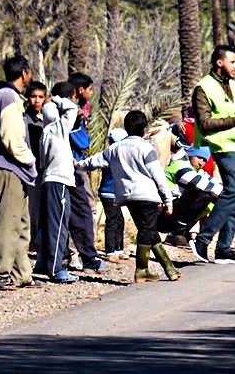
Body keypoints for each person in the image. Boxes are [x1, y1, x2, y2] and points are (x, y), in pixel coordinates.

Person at [78, 110, 179, 283]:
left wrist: (77, 164)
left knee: (149, 231)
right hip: (147, 196)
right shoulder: (146, 148)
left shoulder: (115, 148)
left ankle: (169, 268)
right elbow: (158, 176)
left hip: (127, 197)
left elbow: (94, 161)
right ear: (144, 129)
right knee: (147, 231)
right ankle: (141, 269)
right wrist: (168, 199)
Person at [190, 45, 235, 265]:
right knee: (233, 192)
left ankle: (224, 249)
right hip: (223, 147)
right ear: (220, 63)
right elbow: (205, 123)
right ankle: (202, 240)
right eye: (233, 62)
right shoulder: (203, 88)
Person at [0, 55, 39, 291]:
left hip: (15, 169)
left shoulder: (9, 96)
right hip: (8, 167)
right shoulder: (7, 97)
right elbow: (11, 137)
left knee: (21, 222)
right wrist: (29, 160)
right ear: (24, 73)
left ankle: (21, 273)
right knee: (8, 221)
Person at [34, 81, 79, 283]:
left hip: (49, 181)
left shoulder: (45, 132)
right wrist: (59, 98)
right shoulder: (59, 128)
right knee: (59, 225)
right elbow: (73, 109)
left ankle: (43, 263)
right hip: (59, 182)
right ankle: (56, 268)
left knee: (48, 224)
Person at [66, 72, 106, 273]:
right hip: (74, 166)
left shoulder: (78, 110)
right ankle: (80, 254)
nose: (92, 93)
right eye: (90, 89)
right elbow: (82, 141)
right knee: (86, 207)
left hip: (75, 164)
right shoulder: (72, 114)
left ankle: (79, 253)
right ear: (80, 90)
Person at [160, 142, 223, 245]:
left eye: (205, 160)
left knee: (215, 198)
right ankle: (177, 233)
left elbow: (215, 184)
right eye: (199, 157)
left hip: (175, 212)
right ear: (191, 154)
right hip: (164, 212)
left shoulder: (198, 171)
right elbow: (200, 183)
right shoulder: (179, 166)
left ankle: (192, 234)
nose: (201, 163)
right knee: (203, 192)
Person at [97, 127, 129, 260]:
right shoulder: (110, 155)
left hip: (116, 193)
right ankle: (110, 252)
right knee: (112, 221)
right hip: (108, 193)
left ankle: (118, 249)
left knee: (119, 221)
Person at [25, 80, 47, 253]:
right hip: (32, 171)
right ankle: (34, 244)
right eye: (33, 97)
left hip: (48, 169)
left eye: (40, 97)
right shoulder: (24, 120)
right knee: (34, 209)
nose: (37, 100)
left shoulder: (49, 119)